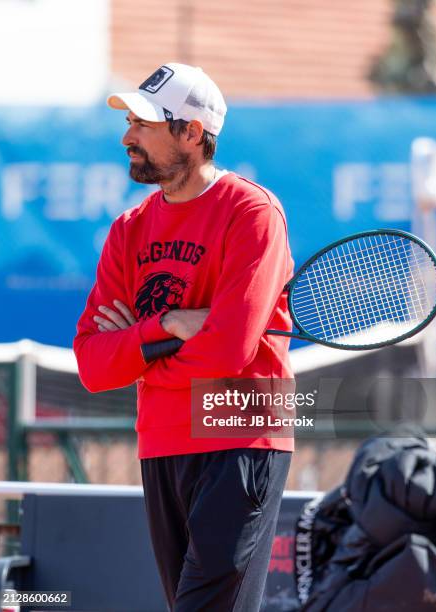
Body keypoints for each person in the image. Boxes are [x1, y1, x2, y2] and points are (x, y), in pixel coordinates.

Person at [74, 62, 295, 612]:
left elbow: (228, 350)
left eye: (143, 123)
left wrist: (139, 353)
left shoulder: (252, 212)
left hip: (240, 430)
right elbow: (93, 366)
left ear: (191, 133)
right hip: (162, 439)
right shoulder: (130, 229)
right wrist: (169, 326)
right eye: (128, 122)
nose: (126, 136)